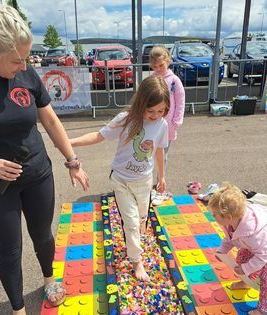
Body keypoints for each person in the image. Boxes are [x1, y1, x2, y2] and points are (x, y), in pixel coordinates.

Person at [0, 1, 89, 314]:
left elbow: (51, 120)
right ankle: (18, 309)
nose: (25, 67)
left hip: (38, 174)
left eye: (26, 58)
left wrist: (72, 161)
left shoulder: (25, 74)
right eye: (17, 60)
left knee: (43, 235)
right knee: (10, 251)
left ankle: (48, 279)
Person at [70, 76, 170, 281]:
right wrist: (69, 142)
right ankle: (136, 261)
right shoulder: (126, 119)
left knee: (142, 219)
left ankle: (135, 240)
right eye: (151, 111)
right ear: (141, 103)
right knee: (132, 222)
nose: (155, 115)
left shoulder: (162, 124)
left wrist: (162, 176)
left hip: (144, 181)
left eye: (161, 111)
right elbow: (99, 136)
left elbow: (159, 149)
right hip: (121, 180)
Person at [208, 183, 267, 315]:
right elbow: (229, 237)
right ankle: (246, 281)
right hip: (257, 246)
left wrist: (246, 268)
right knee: (242, 257)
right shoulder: (232, 221)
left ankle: (264, 309)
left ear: (228, 217)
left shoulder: (254, 234)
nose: (213, 216)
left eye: (215, 214)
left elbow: (263, 256)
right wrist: (222, 250)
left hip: (265, 249)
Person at [149, 46, 185, 174]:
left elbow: (180, 102)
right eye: (155, 66)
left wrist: (176, 121)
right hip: (151, 122)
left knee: (163, 153)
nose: (158, 69)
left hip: (168, 124)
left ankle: (160, 179)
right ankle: (147, 179)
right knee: (148, 152)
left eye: (161, 65)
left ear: (168, 61)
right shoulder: (150, 80)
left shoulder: (174, 80)